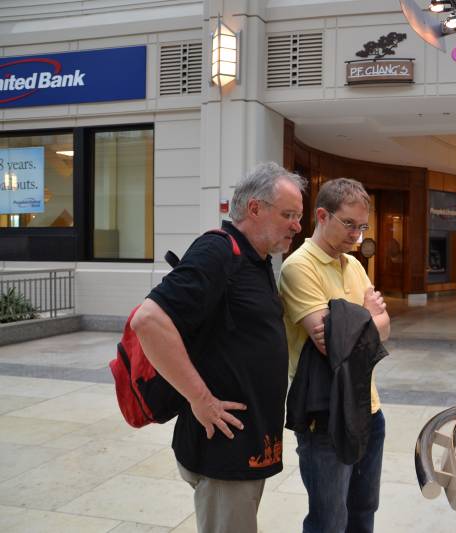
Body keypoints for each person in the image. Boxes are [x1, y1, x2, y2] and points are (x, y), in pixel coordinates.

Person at [131, 162, 306, 533]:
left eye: (298, 216)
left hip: (247, 446)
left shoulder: (256, 259)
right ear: (254, 208)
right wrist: (201, 400)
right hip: (222, 451)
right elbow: (149, 320)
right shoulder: (218, 250)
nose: (297, 226)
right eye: (288, 215)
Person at [279, 178, 390, 533]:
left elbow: (382, 330)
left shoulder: (354, 265)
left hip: (369, 408)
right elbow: (333, 344)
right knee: (329, 521)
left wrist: (360, 321)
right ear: (322, 215)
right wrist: (370, 315)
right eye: (349, 224)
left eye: (362, 227)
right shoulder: (299, 267)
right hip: (325, 415)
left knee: (364, 511)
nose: (356, 235)